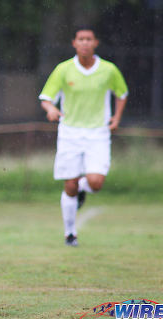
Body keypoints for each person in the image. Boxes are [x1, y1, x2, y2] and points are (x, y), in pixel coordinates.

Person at [39, 26, 128, 247]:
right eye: (81, 39)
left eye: (89, 39)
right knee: (69, 185)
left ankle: (82, 189)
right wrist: (50, 109)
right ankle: (70, 234)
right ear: (74, 43)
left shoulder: (108, 70)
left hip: (98, 133)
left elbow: (122, 94)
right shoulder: (64, 69)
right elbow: (46, 98)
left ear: (95, 43)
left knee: (95, 182)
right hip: (70, 133)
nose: (85, 43)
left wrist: (116, 118)